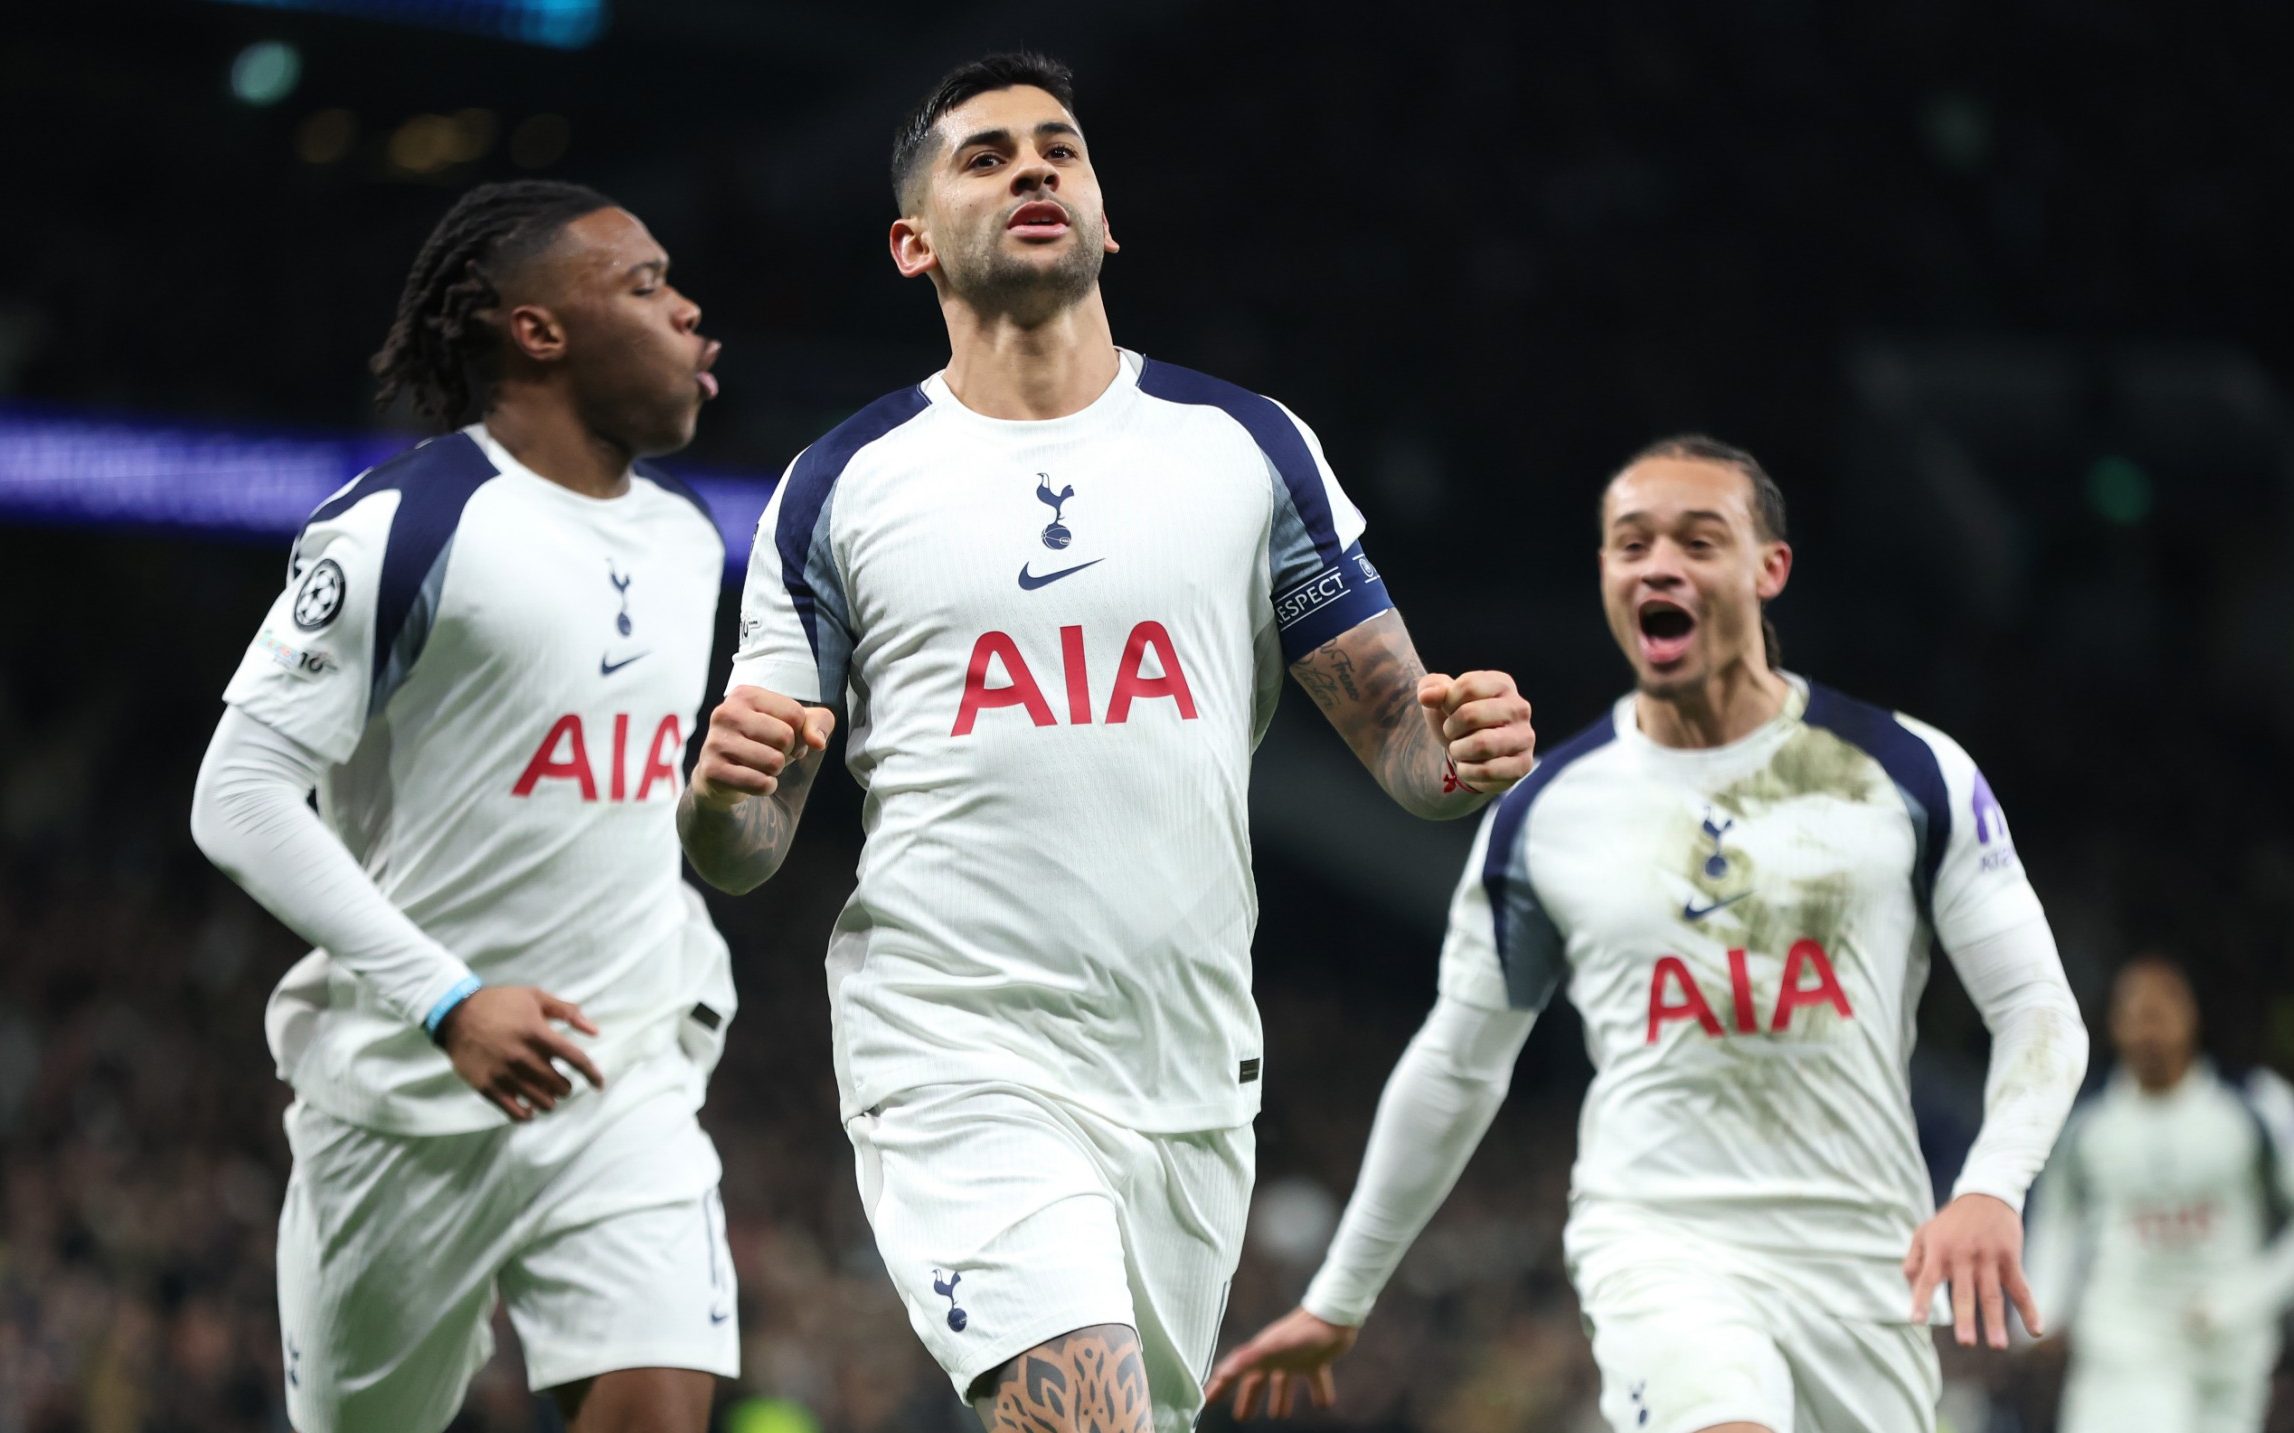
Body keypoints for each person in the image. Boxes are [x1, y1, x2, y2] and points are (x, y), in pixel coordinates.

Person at [675, 52, 1537, 1433]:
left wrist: (1457, 756)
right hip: (955, 1051)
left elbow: (1400, 742)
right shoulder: (840, 485)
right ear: (911, 244)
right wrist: (720, 798)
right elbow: (744, 847)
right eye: (985, 155)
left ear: (1104, 218)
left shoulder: (1242, 447)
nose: (1031, 169)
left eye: (1058, 150)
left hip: (1189, 1072)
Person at [1207, 435, 2091, 1433]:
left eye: (1697, 538)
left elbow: (2035, 1010)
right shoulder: (1550, 810)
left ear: (1769, 568)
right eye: (1630, 542)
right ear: (1605, 575)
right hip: (1660, 1243)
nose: (1657, 562)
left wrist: (1988, 1185)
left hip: (1862, 1257)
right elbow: (1456, 1065)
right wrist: (1340, 1293)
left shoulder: (1909, 772)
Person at [190, 180, 737, 1433]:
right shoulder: (407, 524)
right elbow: (238, 793)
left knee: (661, 1402)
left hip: (622, 1066)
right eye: (646, 284)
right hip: (402, 1097)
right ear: (537, 329)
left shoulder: (689, 539)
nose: (688, 308)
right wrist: (445, 998)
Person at [2023, 956, 2294, 1433]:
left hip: (2229, 1347)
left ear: (2191, 1016)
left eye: (2161, 1014)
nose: (2150, 1031)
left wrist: (2247, 1298)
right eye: (2136, 1016)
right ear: (2114, 1026)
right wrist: (2043, 1307)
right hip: (2123, 1339)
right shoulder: (2088, 1123)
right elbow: (2056, 1217)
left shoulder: (2255, 1105)